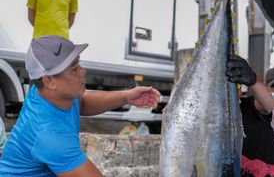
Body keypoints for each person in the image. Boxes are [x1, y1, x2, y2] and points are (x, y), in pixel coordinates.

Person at [0, 35, 161, 176]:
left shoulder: (43, 92)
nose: (83, 71)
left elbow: (82, 102)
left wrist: (126, 96)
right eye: (74, 69)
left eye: (79, 64)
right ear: (49, 81)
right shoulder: (51, 136)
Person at [227, 55, 274, 177]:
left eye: (236, 85)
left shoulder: (248, 107)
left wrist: (252, 80)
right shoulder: (210, 121)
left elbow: (268, 105)